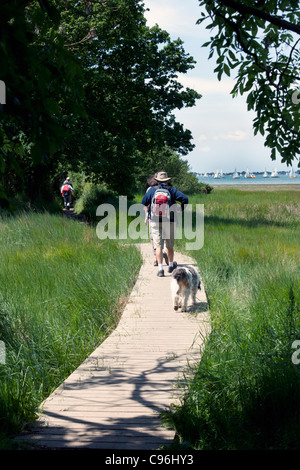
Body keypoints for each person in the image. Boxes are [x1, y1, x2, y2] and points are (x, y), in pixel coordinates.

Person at [141, 170, 188, 277]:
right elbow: (185, 199)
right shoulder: (171, 190)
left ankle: (161, 269)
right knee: (170, 245)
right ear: (167, 180)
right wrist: (180, 209)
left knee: (158, 246)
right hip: (169, 220)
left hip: (155, 221)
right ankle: (171, 266)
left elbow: (144, 202)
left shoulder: (152, 190)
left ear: (157, 180)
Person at [144, 174, 169, 267]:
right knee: (165, 236)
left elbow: (146, 204)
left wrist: (146, 217)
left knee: (154, 238)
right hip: (166, 217)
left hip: (153, 217)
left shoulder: (150, 189)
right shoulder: (168, 189)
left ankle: (156, 259)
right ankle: (165, 251)